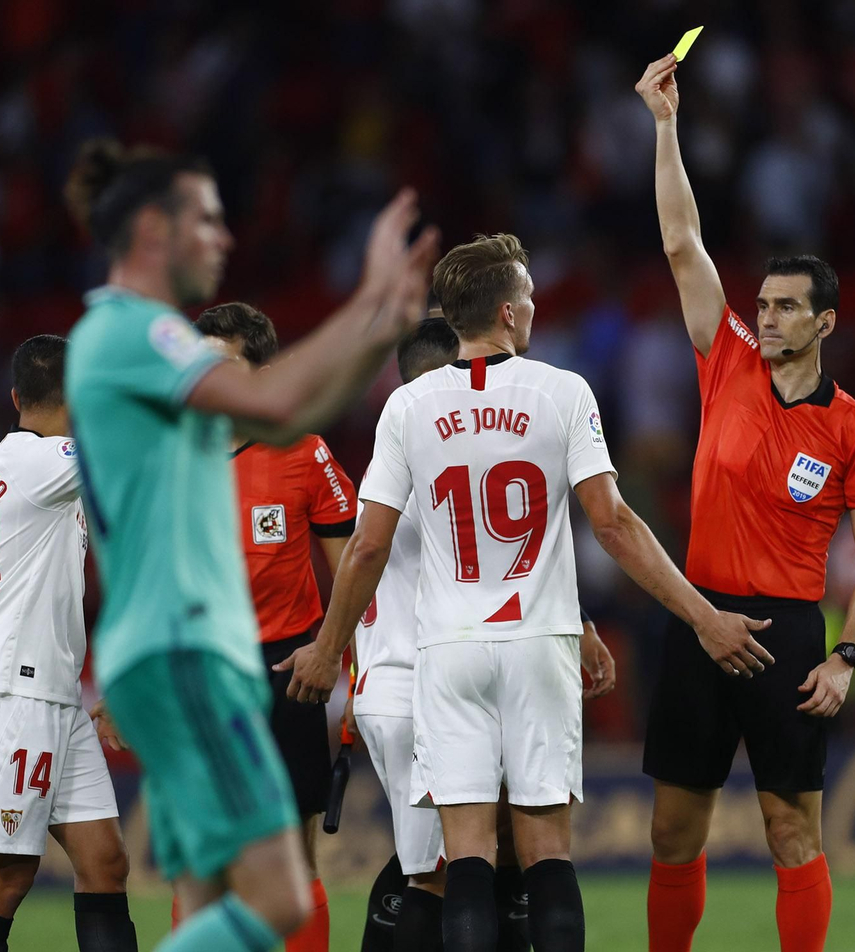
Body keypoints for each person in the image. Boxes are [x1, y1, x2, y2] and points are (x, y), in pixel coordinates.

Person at [283, 232, 771, 952]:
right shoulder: (562, 391)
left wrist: (329, 651)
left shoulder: (408, 406)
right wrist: (701, 617)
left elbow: (367, 545)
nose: (537, 306)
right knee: (546, 852)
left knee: (469, 853)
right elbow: (614, 523)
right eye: (532, 297)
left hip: (449, 650)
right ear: (509, 313)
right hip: (540, 641)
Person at [61, 136, 440, 952]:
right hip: (185, 649)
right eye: (208, 219)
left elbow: (288, 420)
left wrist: (381, 335)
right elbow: (273, 403)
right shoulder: (140, 335)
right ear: (155, 230)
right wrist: (370, 299)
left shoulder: (130, 344)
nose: (225, 238)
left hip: (183, 650)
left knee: (205, 894)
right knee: (277, 896)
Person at [636, 54, 855, 952]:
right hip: (699, 616)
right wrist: (666, 126)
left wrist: (846, 656)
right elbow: (682, 243)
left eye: (789, 307)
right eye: (765, 305)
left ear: (827, 320)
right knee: (675, 833)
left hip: (788, 636)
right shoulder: (729, 363)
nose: (771, 316)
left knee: (792, 834)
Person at [340, 315, 618, 952]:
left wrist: (339, 655)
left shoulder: (398, 465)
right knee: (449, 872)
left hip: (411, 679)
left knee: (451, 863)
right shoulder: (430, 454)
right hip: (427, 678)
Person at [0, 335, 137, 952]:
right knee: (6, 876)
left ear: (14, 397)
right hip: (12, 693)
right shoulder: (48, 460)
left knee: (105, 863)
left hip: (50, 690)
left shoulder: (2, 465)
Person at [192, 301, 362, 952]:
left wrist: (336, 651)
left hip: (285, 670)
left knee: (292, 855)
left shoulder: (300, 449)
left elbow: (353, 567)